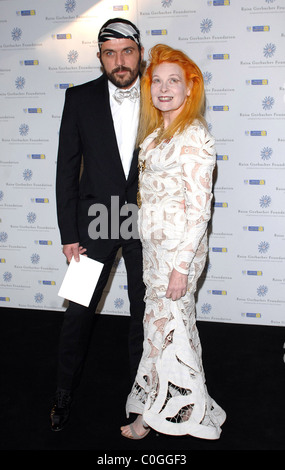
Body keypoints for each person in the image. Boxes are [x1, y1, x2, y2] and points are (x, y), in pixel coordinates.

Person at [120, 44, 226, 440]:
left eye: (174, 81)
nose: (164, 89)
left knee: (168, 330)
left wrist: (182, 267)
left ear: (189, 87)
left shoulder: (195, 137)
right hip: (155, 250)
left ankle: (160, 416)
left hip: (177, 255)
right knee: (164, 329)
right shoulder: (158, 134)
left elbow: (200, 211)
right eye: (157, 81)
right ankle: (183, 407)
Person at [50, 18, 146, 432]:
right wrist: (69, 234)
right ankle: (62, 394)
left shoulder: (163, 95)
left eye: (127, 51)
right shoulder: (80, 98)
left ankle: (144, 402)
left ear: (139, 53)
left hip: (147, 221)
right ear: (100, 57)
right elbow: (65, 170)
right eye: (110, 53)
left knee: (145, 315)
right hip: (94, 222)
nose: (119, 61)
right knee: (77, 314)